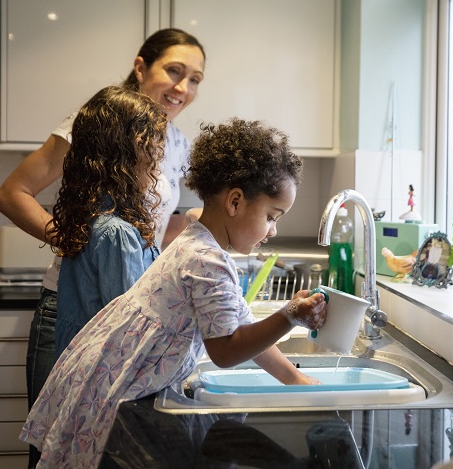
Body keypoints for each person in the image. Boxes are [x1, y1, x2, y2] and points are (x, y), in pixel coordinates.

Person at [20, 119, 328, 468]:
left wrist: (295, 378)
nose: (273, 231)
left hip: (114, 383)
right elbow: (227, 349)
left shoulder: (199, 240)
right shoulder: (207, 259)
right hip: (124, 396)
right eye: (272, 216)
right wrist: (290, 316)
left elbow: (240, 323)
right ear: (236, 201)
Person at [0, 28, 205, 468]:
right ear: (141, 66)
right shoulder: (95, 123)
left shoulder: (177, 142)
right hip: (75, 308)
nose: (183, 88)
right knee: (57, 450)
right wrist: (77, 238)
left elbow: (151, 233)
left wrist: (196, 233)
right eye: (174, 70)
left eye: (196, 79)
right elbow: (12, 193)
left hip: (124, 308)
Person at [47, 86, 168, 357]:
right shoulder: (117, 234)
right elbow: (130, 330)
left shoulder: (89, 217)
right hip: (102, 373)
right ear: (128, 156)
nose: (159, 162)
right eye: (155, 149)